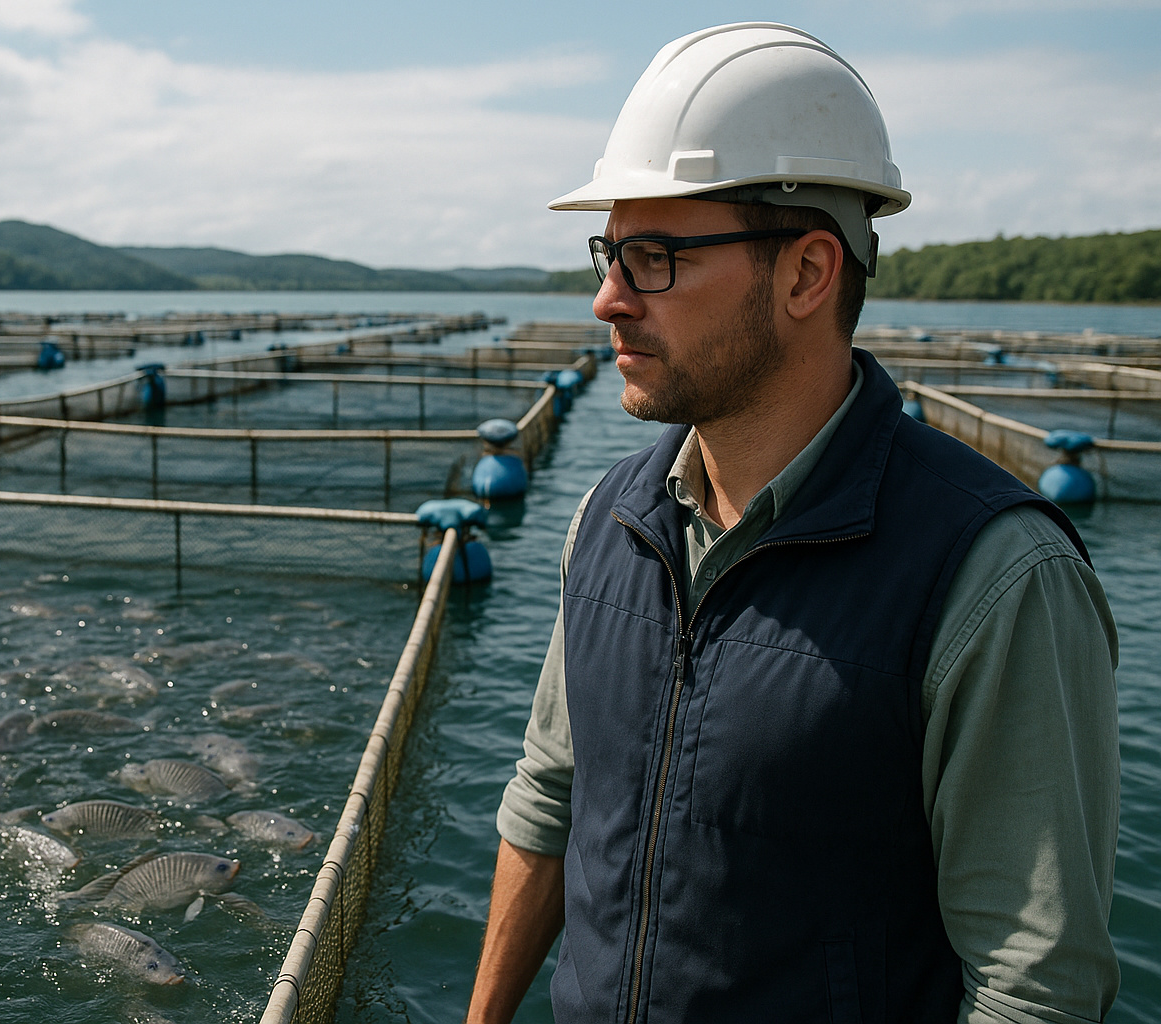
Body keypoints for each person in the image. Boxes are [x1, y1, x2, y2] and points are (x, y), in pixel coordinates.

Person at [466, 23, 1120, 1024]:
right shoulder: (607, 523)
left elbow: (1033, 987)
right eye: (608, 253)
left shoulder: (992, 576)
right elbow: (548, 802)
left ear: (810, 274)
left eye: (653, 257)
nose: (606, 300)